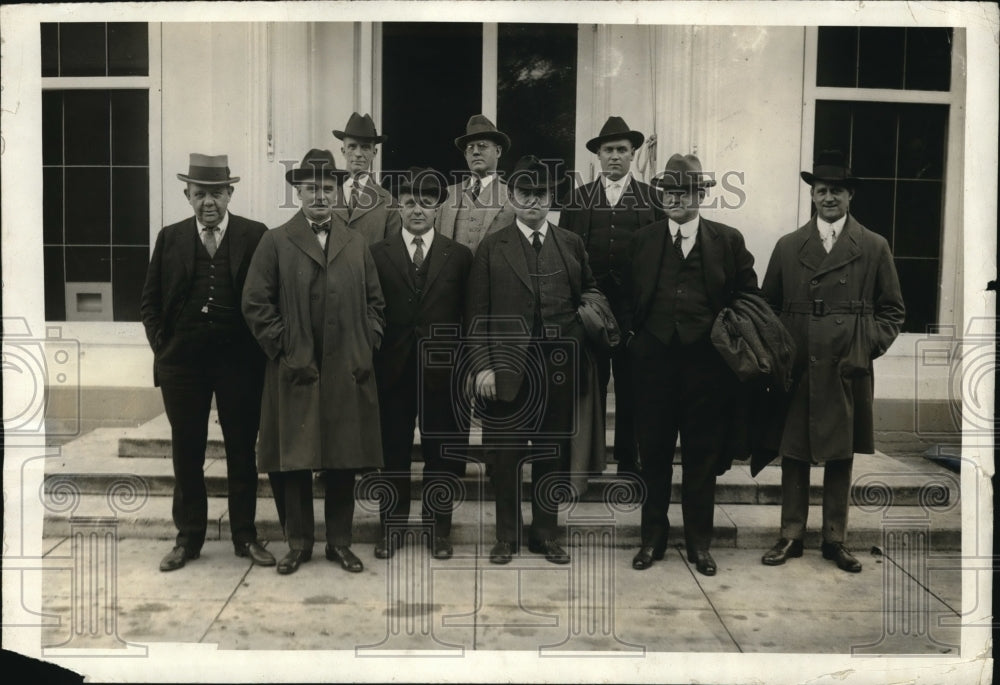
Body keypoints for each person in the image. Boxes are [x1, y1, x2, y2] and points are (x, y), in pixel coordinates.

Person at [242, 148, 386, 575]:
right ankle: (299, 543)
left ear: (338, 192)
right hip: (295, 370)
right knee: (295, 460)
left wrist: (366, 342)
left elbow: (376, 303)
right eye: (311, 189)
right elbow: (255, 303)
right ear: (298, 193)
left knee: (343, 459)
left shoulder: (356, 242)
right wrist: (285, 347)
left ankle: (339, 543)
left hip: (347, 370)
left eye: (327, 188)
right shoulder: (276, 240)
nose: (320, 196)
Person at [760, 150, 904, 573]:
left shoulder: (874, 246)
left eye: (836, 191)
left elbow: (892, 310)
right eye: (821, 190)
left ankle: (835, 539)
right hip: (800, 361)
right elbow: (767, 306)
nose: (828, 198)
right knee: (795, 450)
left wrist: (864, 345)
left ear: (850, 196)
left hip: (847, 363)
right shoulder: (788, 246)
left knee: (841, 453)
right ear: (812, 196)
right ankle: (790, 534)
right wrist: (781, 352)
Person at [621, 153, 758, 576]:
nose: (674, 198)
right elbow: (625, 296)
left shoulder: (727, 240)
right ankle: (652, 540)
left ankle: (700, 544)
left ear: (701, 194)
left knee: (701, 457)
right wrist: (636, 340)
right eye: (668, 190)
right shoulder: (642, 240)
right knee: (655, 456)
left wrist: (726, 335)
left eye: (684, 190)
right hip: (654, 369)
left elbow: (748, 296)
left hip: (707, 370)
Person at [140, 153, 274, 572]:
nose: (208, 203)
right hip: (185, 366)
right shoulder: (171, 237)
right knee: (187, 451)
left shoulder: (256, 235)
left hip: (240, 364)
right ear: (188, 196)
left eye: (216, 193)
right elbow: (150, 303)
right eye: (200, 195)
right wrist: (165, 350)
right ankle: (188, 539)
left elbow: (270, 297)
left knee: (240, 452)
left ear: (230, 193)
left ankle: (245, 536)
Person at [466, 155, 597, 566]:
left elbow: (590, 293)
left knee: (551, 453)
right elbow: (476, 313)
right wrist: (483, 366)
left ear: (551, 196)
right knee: (503, 457)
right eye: (525, 193)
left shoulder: (570, 242)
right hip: (505, 370)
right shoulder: (492, 246)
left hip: (557, 370)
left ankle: (546, 535)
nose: (534, 202)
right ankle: (506, 537)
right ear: (512, 197)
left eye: (541, 193)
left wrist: (580, 328)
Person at [370, 167, 473, 560]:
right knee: (392, 453)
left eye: (426, 202)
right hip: (391, 370)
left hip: (443, 373)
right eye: (409, 202)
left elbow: (470, 316)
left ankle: (438, 531)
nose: (417, 210)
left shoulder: (459, 256)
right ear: (398, 206)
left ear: (437, 208)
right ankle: (390, 530)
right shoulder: (377, 254)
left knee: (440, 454)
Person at [558, 116, 664, 476]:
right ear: (598, 156)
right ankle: (589, 458)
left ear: (633, 154)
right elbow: (564, 254)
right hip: (591, 308)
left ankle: (628, 458)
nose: (615, 156)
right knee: (592, 382)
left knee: (633, 382)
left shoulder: (653, 199)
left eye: (622, 150)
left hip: (635, 311)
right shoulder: (577, 199)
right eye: (608, 150)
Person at [437, 115, 515, 254]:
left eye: (482, 146)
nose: (476, 152)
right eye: (470, 147)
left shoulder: (512, 194)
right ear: (466, 154)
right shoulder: (448, 194)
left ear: (498, 151)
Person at [333, 112, 401, 244]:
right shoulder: (327, 194)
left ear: (374, 153)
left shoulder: (388, 202)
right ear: (343, 151)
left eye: (365, 147)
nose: (358, 153)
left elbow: (391, 253)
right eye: (352, 146)